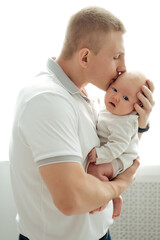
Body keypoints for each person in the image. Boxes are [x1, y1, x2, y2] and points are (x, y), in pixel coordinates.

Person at [9, 7, 154, 240]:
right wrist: (119, 186)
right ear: (85, 57)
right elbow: (71, 199)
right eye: (117, 56)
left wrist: (139, 123)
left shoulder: (83, 94)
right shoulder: (47, 100)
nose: (123, 67)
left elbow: (111, 151)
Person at [88, 71, 149, 216]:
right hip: (115, 153)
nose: (116, 97)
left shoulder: (124, 122)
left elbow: (118, 146)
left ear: (135, 107)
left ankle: (103, 199)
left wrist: (100, 154)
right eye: (114, 89)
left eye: (126, 98)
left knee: (95, 171)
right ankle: (115, 197)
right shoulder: (112, 110)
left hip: (121, 158)